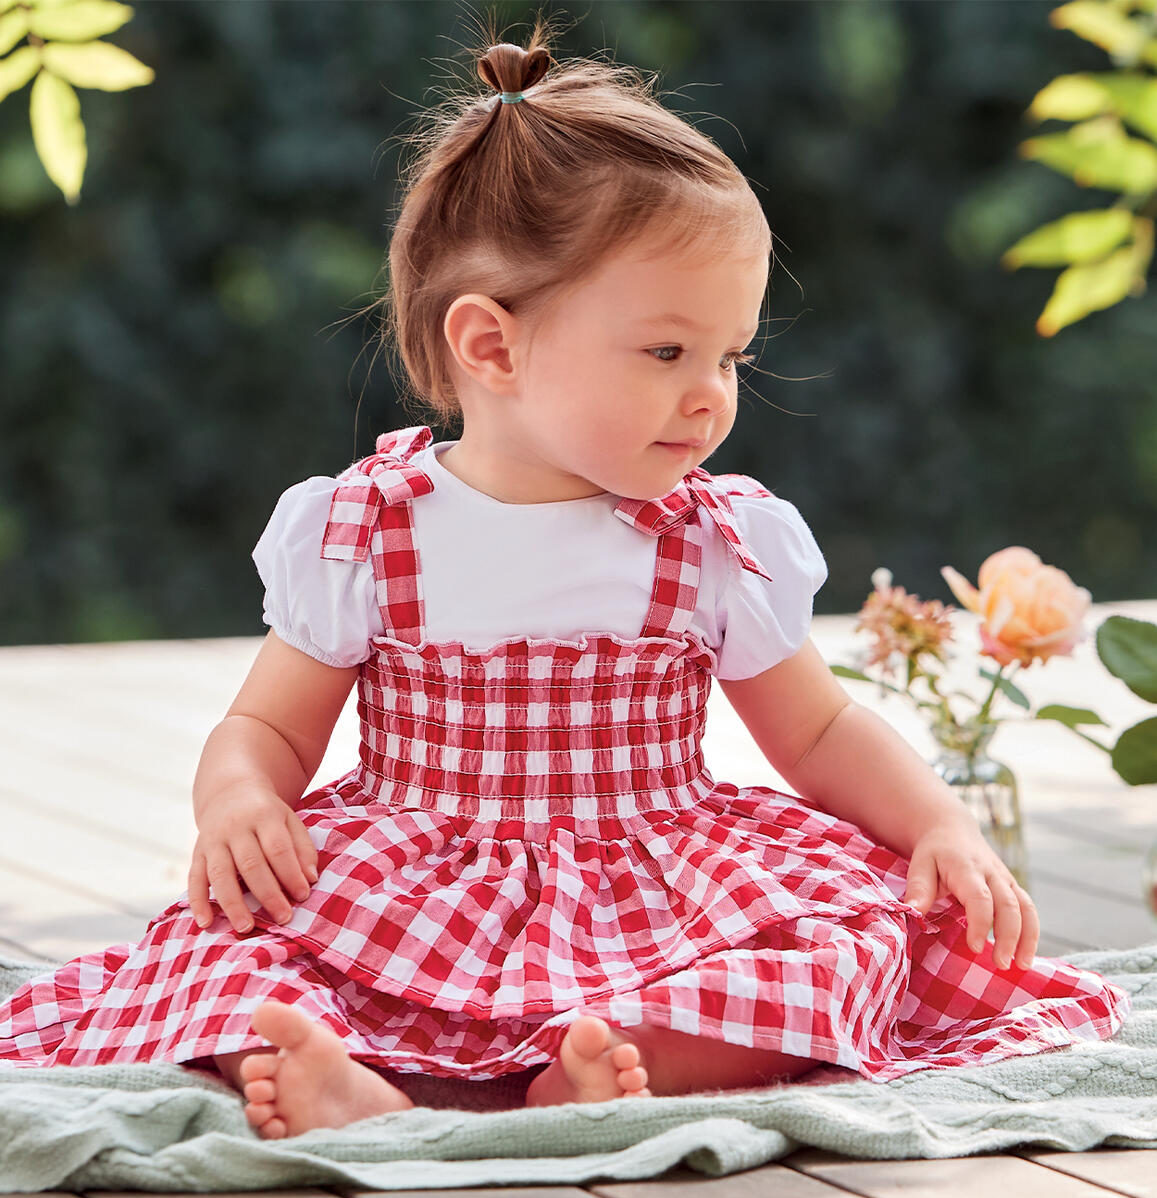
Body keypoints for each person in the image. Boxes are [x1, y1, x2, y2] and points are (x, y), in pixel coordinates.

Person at [0, 28, 1130, 1140]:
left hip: (653, 894)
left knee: (840, 944)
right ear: (490, 348)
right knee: (232, 962)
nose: (711, 396)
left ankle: (588, 1066)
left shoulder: (711, 542)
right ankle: (358, 1082)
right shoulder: (367, 527)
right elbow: (267, 728)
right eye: (665, 353)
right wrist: (239, 800)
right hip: (414, 887)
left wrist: (936, 821)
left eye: (728, 355)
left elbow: (821, 732)